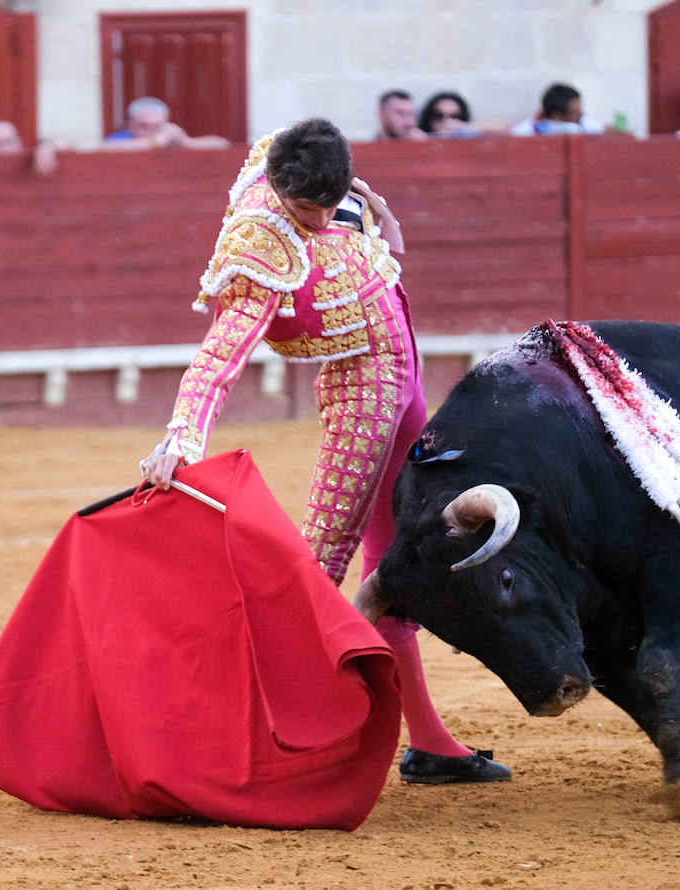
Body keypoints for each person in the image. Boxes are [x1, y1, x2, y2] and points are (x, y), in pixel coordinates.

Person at [140, 117, 510, 785]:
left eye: (326, 204)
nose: (316, 219)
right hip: (362, 384)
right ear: (281, 191)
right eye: (304, 208)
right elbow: (221, 353)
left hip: (403, 367)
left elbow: (358, 207)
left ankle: (427, 740)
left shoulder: (307, 159)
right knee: (321, 564)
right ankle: (235, 732)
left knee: (395, 560)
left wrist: (382, 213)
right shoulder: (261, 239)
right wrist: (181, 435)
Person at [100, 96, 230, 150]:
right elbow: (102, 148)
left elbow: (222, 144)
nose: (150, 132)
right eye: (143, 126)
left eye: (157, 126)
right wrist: (155, 142)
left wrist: (187, 142)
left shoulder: (170, 139)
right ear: (130, 125)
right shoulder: (124, 138)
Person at [510, 82, 605, 135]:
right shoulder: (523, 133)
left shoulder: (583, 123)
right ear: (557, 117)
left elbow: (603, 130)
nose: (581, 114)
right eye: (574, 112)